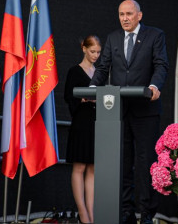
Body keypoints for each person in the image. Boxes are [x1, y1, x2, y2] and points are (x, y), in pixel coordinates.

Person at [90, 0, 169, 224]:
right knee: (122, 163)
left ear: (139, 16)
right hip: (118, 111)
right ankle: (125, 212)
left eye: (129, 14)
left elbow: (161, 64)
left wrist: (155, 86)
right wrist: (94, 88)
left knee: (145, 163)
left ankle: (146, 214)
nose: (124, 18)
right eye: (121, 14)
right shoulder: (113, 37)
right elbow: (104, 67)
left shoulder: (155, 35)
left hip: (146, 110)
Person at [64, 35, 102, 224]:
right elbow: (68, 96)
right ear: (84, 48)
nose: (95, 55)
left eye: (98, 52)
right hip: (81, 123)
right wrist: (83, 99)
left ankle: (91, 213)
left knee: (93, 168)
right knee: (79, 167)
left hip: (97, 123)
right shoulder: (74, 71)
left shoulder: (99, 73)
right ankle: (83, 212)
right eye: (92, 51)